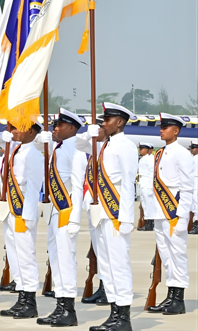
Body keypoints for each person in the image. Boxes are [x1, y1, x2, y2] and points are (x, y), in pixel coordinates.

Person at [85, 103, 138, 331]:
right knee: (105, 266)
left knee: (118, 265)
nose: (103, 123)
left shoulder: (125, 146)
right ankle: (114, 313)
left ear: (120, 122)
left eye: (107, 119)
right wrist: (87, 133)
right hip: (100, 214)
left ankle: (123, 317)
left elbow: (128, 184)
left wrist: (126, 217)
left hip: (115, 213)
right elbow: (79, 146)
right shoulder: (104, 145)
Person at [36, 108, 87, 326]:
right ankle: (60, 305)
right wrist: (42, 139)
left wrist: (75, 218)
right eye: (54, 125)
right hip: (55, 212)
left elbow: (77, 185)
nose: (54, 128)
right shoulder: (57, 147)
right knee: (56, 259)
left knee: (66, 260)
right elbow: (36, 144)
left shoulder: (75, 149)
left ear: (72, 128)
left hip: (67, 212)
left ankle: (69, 310)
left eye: (59, 125)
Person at [145, 113, 193, 315]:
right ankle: (170, 295)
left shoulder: (182, 153)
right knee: (166, 255)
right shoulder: (159, 153)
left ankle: (178, 299)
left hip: (174, 212)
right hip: (160, 212)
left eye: (166, 127)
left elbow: (188, 186)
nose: (161, 129)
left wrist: (183, 215)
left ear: (176, 131)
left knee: (177, 254)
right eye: (161, 126)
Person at [0, 120, 43, 319]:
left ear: (32, 131)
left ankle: (30, 300)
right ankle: (21, 295)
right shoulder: (16, 150)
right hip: (11, 208)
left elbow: (34, 187)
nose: (14, 131)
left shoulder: (33, 154)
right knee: (14, 255)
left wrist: (29, 215)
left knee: (25, 256)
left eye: (19, 128)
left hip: (22, 210)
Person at [76, 117, 109, 306]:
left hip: (105, 205)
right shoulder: (94, 147)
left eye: (101, 126)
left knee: (106, 248)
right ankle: (102, 286)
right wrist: (89, 133)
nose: (98, 129)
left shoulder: (111, 147)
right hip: (91, 203)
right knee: (98, 248)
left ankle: (108, 288)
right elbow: (79, 143)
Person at [137, 143, 155, 231]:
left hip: (148, 184)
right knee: (145, 203)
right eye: (140, 149)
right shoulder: (144, 159)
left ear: (148, 150)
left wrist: (151, 186)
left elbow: (152, 173)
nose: (140, 150)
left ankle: (149, 223)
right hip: (143, 183)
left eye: (142, 149)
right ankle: (147, 222)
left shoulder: (150, 159)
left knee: (149, 203)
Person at [189, 140, 198, 235]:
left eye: (193, 148)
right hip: (193, 182)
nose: (191, 150)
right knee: (193, 204)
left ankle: (197, 224)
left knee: (196, 203)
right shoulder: (192, 158)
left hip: (196, 181)